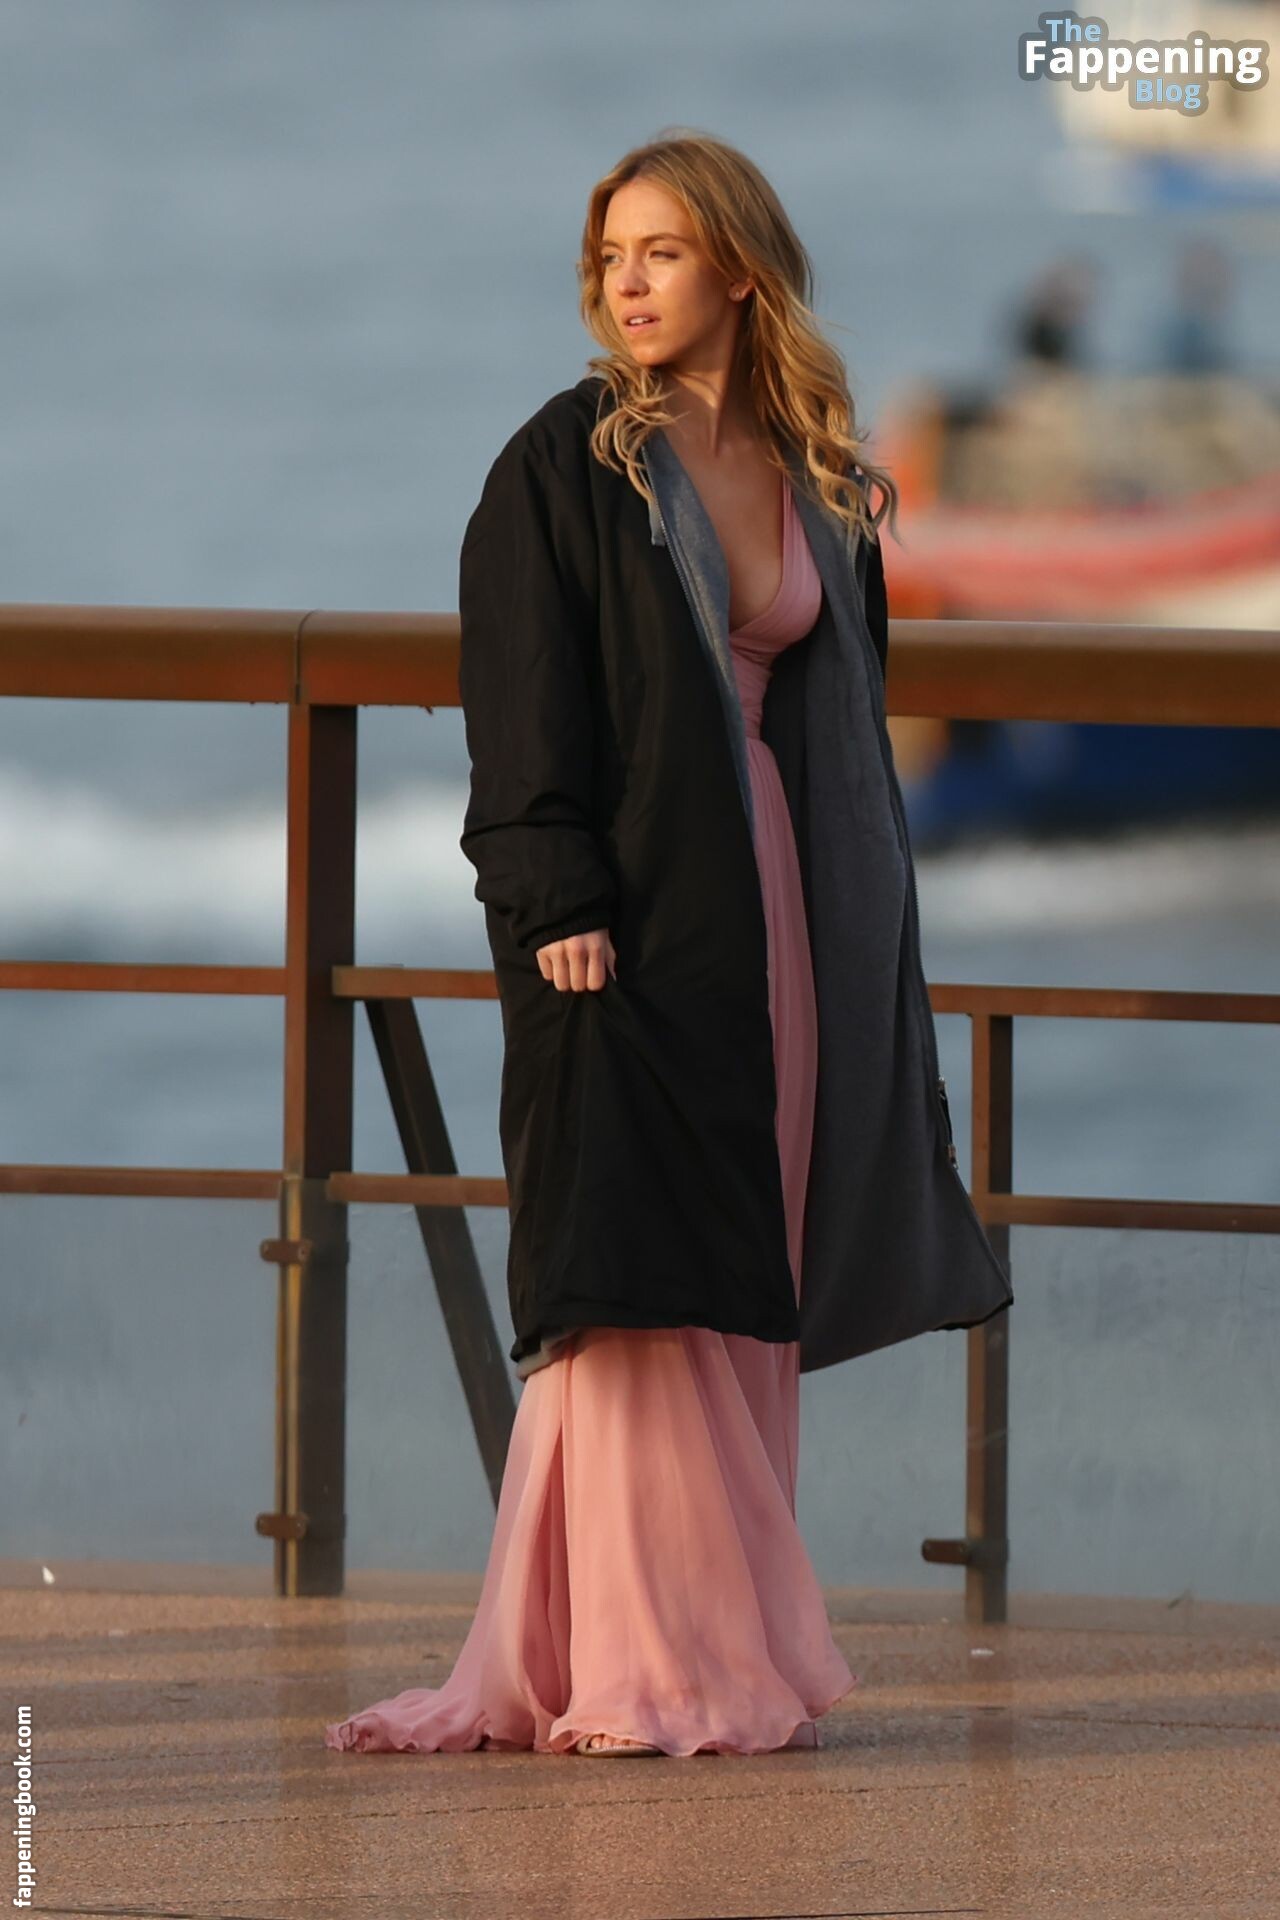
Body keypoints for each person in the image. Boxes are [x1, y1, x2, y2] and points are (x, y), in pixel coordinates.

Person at [324, 129, 1011, 1761]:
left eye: (663, 253)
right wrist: (550, 897)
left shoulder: (817, 472)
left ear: (741, 271)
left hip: (782, 907)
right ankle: (637, 1659)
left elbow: (847, 717)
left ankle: (700, 1637)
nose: (627, 284)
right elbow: (520, 703)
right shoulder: (563, 467)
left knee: (741, 1274)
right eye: (611, 257)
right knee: (637, 1274)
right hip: (626, 916)